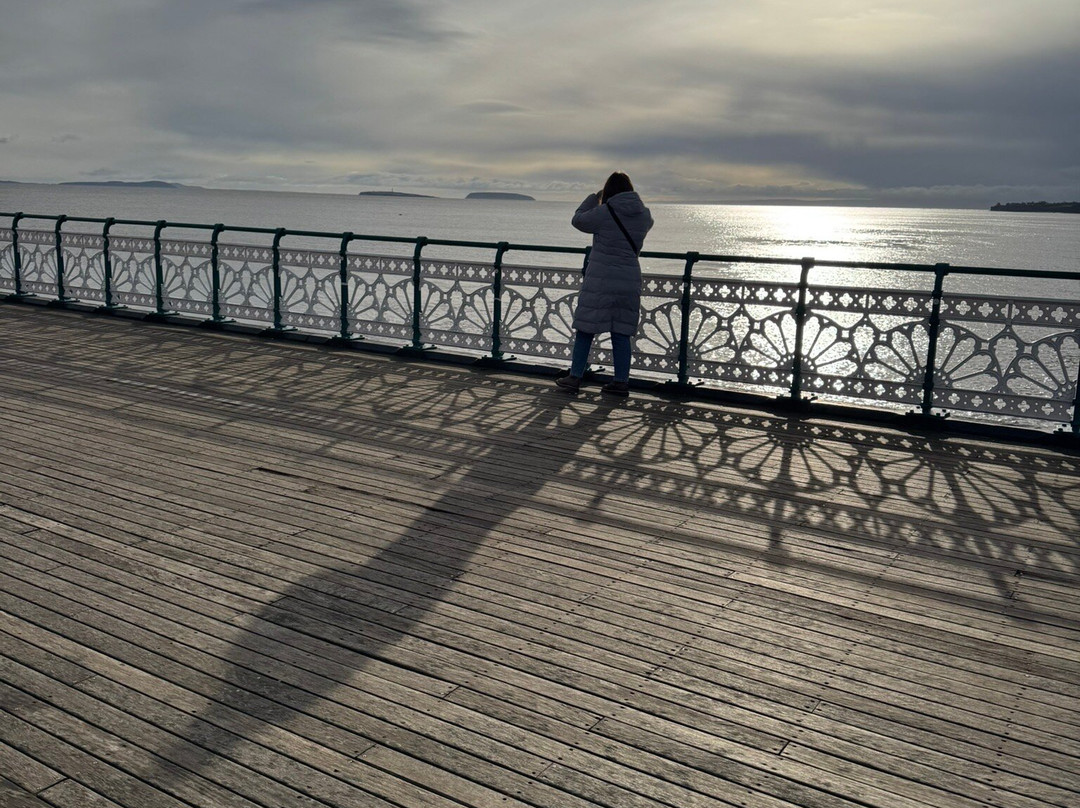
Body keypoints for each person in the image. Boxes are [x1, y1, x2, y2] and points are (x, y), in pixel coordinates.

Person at [557, 171, 653, 397]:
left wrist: (594, 197)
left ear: (609, 191)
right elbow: (647, 223)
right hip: (629, 279)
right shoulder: (644, 215)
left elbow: (578, 220)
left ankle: (575, 376)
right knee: (621, 332)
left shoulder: (604, 213)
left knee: (585, 328)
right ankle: (620, 382)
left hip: (601, 279)